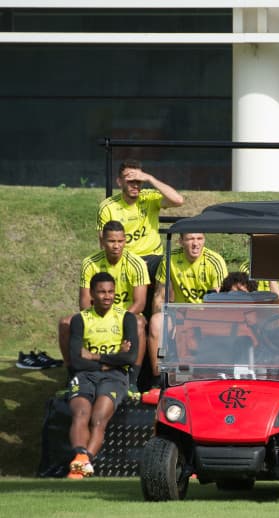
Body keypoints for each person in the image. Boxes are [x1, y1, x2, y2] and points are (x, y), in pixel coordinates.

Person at [65, 272, 139, 479]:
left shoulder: (126, 317)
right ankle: (81, 461)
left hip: (114, 377)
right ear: (92, 294)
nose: (107, 296)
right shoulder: (80, 319)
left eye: (111, 292)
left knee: (98, 419)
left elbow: (130, 358)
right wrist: (113, 358)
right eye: (102, 292)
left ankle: (81, 464)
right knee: (80, 414)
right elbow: (76, 360)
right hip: (85, 375)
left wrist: (94, 356)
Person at [58, 220, 150, 373]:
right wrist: (97, 321)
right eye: (111, 241)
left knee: (138, 323)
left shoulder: (137, 264)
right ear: (102, 241)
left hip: (125, 315)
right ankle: (72, 374)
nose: (116, 246)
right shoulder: (89, 263)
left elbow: (140, 303)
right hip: (97, 313)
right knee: (65, 323)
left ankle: (133, 379)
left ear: (125, 241)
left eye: (120, 241)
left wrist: (119, 319)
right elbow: (85, 302)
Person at [147, 233, 227, 383]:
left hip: (206, 316)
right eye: (190, 239)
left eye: (199, 239)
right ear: (181, 241)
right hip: (178, 314)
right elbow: (159, 296)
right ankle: (157, 379)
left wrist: (189, 322)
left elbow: (218, 303)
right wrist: (163, 318)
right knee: (156, 323)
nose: (195, 244)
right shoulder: (170, 258)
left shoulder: (215, 261)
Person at [96, 159, 185, 279]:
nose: (135, 185)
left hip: (153, 258)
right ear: (119, 182)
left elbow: (178, 200)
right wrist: (135, 263)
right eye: (130, 181)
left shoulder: (149, 197)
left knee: (171, 269)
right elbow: (104, 244)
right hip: (123, 260)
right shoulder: (108, 207)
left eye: (139, 180)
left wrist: (150, 178)